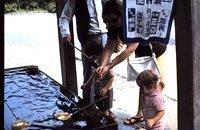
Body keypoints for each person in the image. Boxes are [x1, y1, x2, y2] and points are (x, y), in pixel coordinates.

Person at [95, 0, 168, 124]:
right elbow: (109, 45)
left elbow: (130, 49)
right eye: (107, 21)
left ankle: (153, 122)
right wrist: (102, 65)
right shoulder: (114, 25)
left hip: (155, 52)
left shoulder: (135, 19)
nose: (110, 24)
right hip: (142, 53)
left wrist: (109, 65)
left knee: (154, 89)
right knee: (143, 85)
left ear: (122, 14)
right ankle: (140, 114)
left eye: (113, 20)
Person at [59, 0, 116, 118]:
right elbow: (64, 17)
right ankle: (88, 107)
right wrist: (65, 32)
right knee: (88, 73)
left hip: (106, 37)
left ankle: (106, 108)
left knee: (107, 73)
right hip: (87, 40)